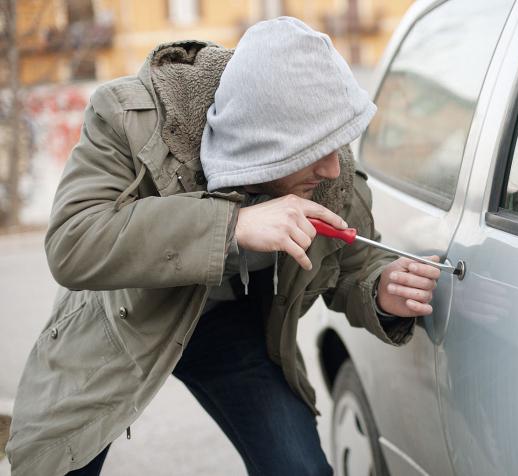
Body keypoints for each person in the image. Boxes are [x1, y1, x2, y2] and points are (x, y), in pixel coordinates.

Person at [6, 17, 440, 476]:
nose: (333, 169)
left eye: (338, 145)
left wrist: (381, 288)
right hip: (122, 318)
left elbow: (352, 261)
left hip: (227, 329)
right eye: (316, 151)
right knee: (58, 465)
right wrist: (234, 224)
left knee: (299, 468)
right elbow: (74, 241)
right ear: (264, 142)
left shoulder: (330, 171)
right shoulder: (128, 117)